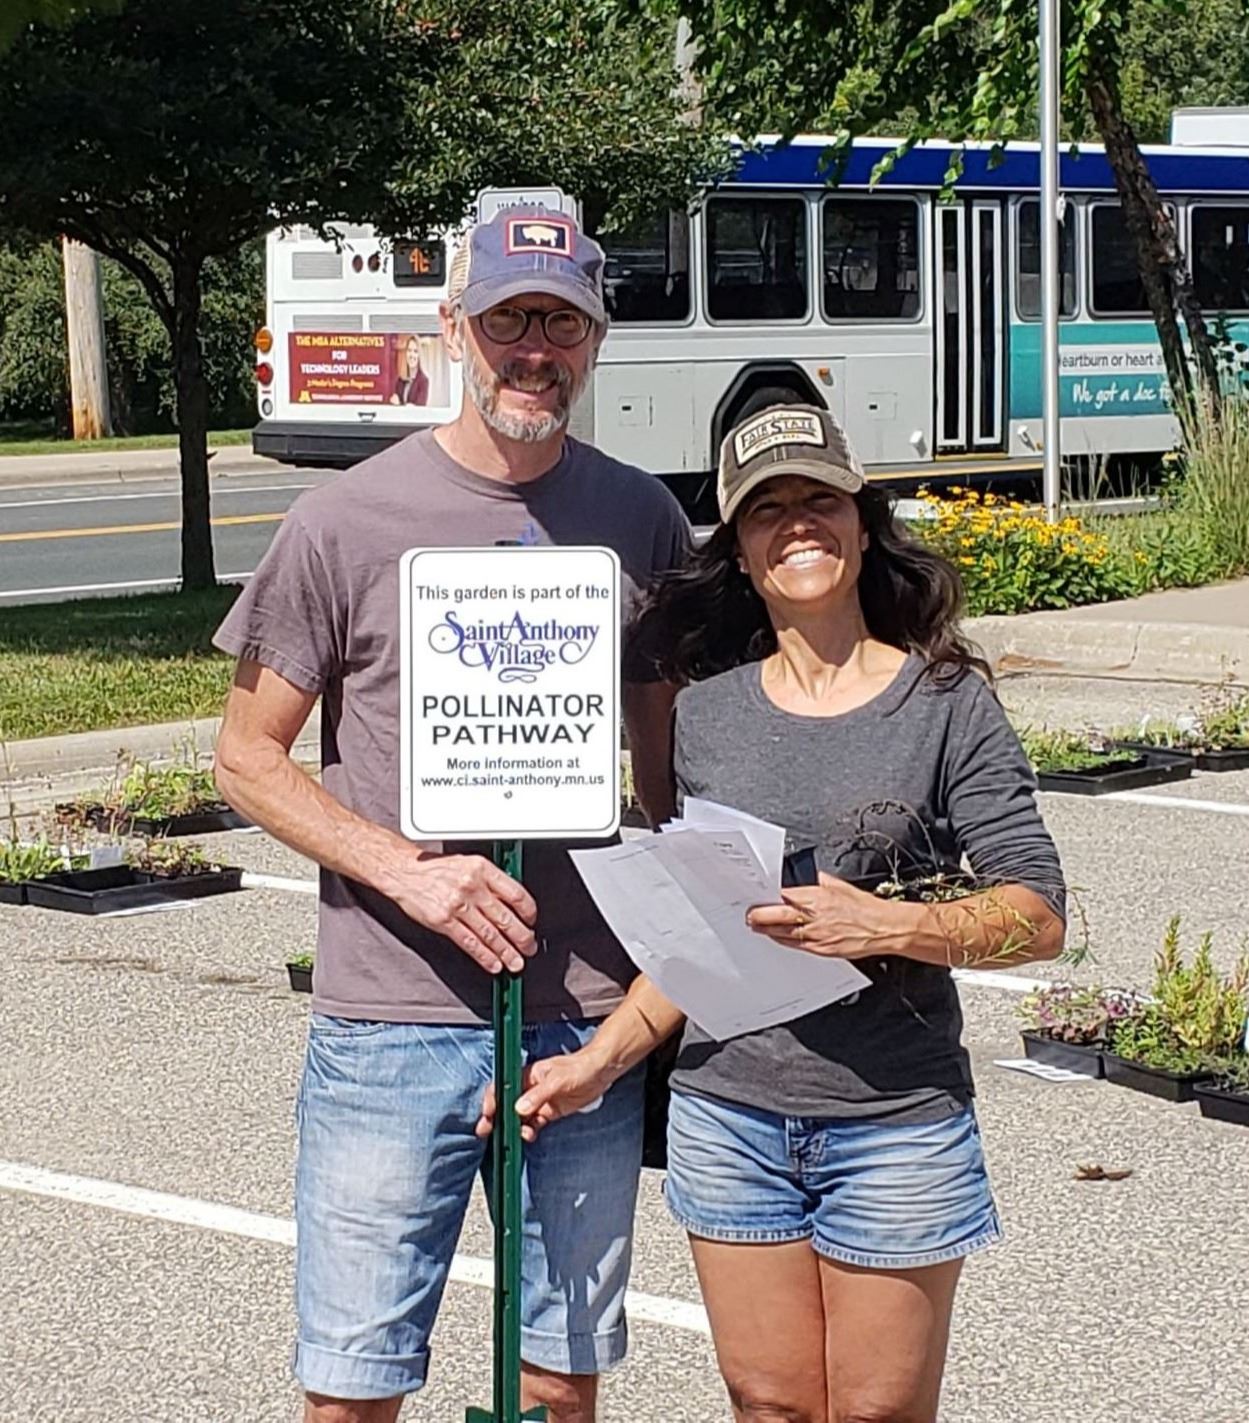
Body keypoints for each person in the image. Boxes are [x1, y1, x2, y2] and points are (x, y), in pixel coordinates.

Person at [479, 405, 1067, 1423]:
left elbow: (1036, 912)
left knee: (876, 1412)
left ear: (861, 522)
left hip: (894, 1121)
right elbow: (698, 937)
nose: (797, 525)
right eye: (766, 509)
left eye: (818, 500)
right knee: (770, 1405)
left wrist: (888, 926)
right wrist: (598, 1063)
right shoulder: (708, 715)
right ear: (739, 551)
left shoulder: (945, 701)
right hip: (732, 1117)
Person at [212, 203, 689, 1423]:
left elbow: (669, 776)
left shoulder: (640, 520)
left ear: (595, 337)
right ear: (453, 326)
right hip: (391, 1017)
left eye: (562, 323)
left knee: (557, 1379)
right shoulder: (342, 521)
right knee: (355, 1386)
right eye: (507, 320)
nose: (534, 350)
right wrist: (410, 870)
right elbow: (245, 758)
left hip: (579, 1020)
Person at [390, 333, 429, 406]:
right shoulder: (400, 380)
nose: (411, 355)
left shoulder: (423, 381)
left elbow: (420, 409)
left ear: (419, 355)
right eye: (409, 350)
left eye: (415, 351)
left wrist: (401, 405)